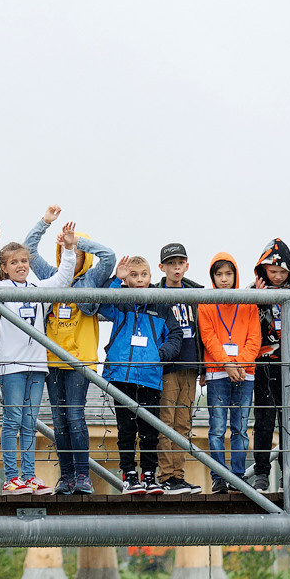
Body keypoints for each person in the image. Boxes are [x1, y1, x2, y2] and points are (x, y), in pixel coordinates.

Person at [0, 212, 80, 494]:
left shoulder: (38, 288)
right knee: (12, 420)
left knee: (29, 423)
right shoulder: (2, 288)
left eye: (24, 261)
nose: (20, 266)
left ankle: (29, 476)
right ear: (5, 268)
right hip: (11, 367)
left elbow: (63, 278)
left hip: (37, 366)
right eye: (14, 262)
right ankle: (11, 477)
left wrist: (68, 249)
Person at [22, 207, 116, 497]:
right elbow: (28, 251)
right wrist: (45, 223)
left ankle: (82, 476)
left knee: (75, 416)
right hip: (51, 360)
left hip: (79, 361)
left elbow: (109, 256)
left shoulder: (93, 278)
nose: (70, 257)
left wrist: (77, 242)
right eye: (65, 252)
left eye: (75, 254)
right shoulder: (53, 275)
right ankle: (66, 477)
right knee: (59, 421)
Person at [100, 255, 178, 494]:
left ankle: (149, 474)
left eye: (144, 275)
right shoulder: (120, 301)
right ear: (128, 279)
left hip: (149, 376)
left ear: (151, 277)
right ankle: (129, 474)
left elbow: (175, 335)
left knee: (149, 430)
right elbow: (102, 304)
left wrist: (159, 355)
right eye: (134, 275)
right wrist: (117, 280)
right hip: (121, 375)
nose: (140, 279)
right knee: (126, 429)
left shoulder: (161, 305)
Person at [198, 253, 262, 494]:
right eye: (219, 274)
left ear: (236, 275)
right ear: (212, 277)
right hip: (217, 372)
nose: (224, 279)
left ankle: (237, 476)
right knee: (216, 427)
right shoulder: (205, 303)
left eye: (228, 273)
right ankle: (219, 477)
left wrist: (240, 364)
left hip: (245, 373)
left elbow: (254, 338)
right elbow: (208, 337)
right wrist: (227, 363)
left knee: (241, 427)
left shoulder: (248, 303)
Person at [249, 239, 290, 491]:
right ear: (263, 269)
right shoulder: (251, 291)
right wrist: (259, 301)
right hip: (264, 365)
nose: (277, 276)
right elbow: (247, 325)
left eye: (282, 272)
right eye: (272, 271)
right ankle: (261, 473)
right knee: (264, 420)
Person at [151, 242, 204, 496]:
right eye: (171, 263)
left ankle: (178, 475)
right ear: (161, 267)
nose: (176, 267)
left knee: (183, 423)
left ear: (187, 265)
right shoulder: (153, 293)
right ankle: (165, 475)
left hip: (190, 364)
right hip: (167, 366)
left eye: (180, 263)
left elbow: (202, 330)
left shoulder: (196, 293)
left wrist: (203, 365)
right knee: (166, 421)